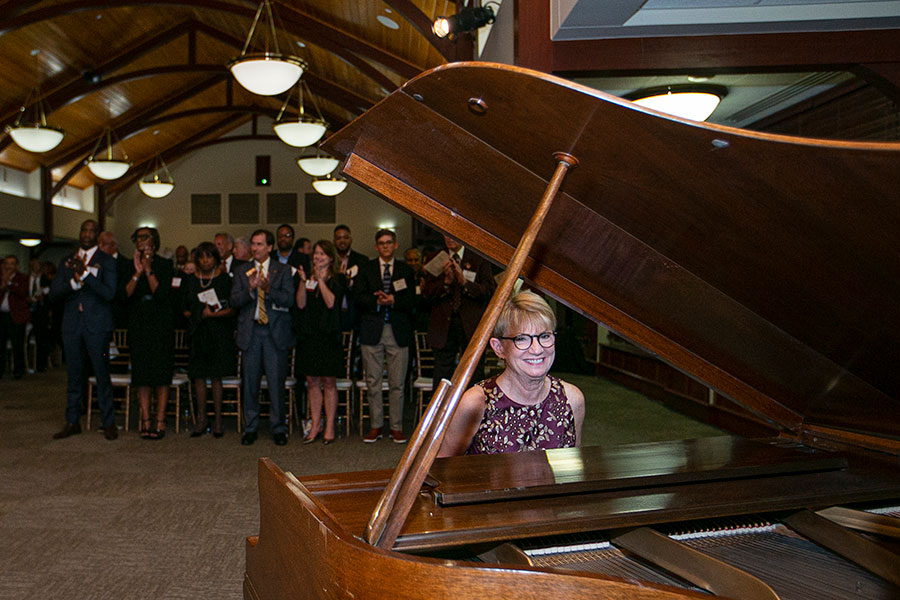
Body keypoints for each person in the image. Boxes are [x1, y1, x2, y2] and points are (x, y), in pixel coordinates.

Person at [438, 291, 585, 456]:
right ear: (498, 348)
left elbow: (571, 472)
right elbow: (443, 472)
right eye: (521, 339)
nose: (537, 349)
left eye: (544, 336)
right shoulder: (475, 403)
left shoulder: (571, 399)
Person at [50, 220, 118, 440]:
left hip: (97, 325)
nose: (86, 234)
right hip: (72, 324)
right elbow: (54, 292)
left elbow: (109, 293)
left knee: (101, 372)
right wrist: (74, 283)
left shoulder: (106, 261)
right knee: (73, 374)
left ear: (98, 236)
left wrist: (86, 276)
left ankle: (108, 422)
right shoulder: (67, 260)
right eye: (83, 230)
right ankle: (72, 421)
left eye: (91, 231)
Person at [230, 229, 295, 446]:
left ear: (269, 247)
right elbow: (234, 301)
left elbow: (289, 300)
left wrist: (268, 289)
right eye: (253, 244)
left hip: (274, 333)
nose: (254, 248)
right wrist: (250, 289)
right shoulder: (241, 271)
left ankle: (278, 427)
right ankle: (250, 428)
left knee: (276, 383)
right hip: (251, 333)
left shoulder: (282, 270)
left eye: (259, 244)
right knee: (250, 383)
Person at [354, 230, 416, 443]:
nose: (385, 246)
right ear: (376, 247)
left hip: (398, 330)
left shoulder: (406, 270)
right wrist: (377, 301)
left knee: (397, 383)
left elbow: (411, 302)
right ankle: (376, 426)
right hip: (372, 330)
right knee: (373, 381)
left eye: (389, 243)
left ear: (395, 245)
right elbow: (358, 298)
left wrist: (393, 300)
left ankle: (396, 427)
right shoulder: (366, 268)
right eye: (381, 243)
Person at [423, 234, 496, 391]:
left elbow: (489, 291)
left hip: (470, 325)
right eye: (445, 236)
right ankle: (440, 412)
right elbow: (426, 293)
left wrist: (465, 283)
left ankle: (471, 412)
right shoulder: (435, 258)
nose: (449, 239)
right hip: (444, 325)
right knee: (442, 372)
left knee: (473, 372)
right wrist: (446, 283)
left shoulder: (478, 258)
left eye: (453, 236)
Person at [125, 227, 175, 440]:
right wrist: (137, 271)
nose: (141, 241)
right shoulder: (127, 265)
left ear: (154, 241)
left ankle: (160, 419)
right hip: (138, 322)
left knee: (161, 374)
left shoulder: (165, 264)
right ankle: (145, 419)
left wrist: (148, 269)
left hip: (160, 323)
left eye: (145, 237)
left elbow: (162, 293)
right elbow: (125, 294)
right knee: (142, 374)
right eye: (138, 237)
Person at [295, 240, 346, 445]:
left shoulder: (339, 278)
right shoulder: (307, 278)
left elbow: (331, 302)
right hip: (310, 335)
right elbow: (300, 304)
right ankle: (315, 425)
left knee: (329, 382)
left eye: (322, 254)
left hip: (329, 335)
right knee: (312, 382)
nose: (318, 257)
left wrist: (320, 280)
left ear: (331, 258)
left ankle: (330, 426)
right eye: (316, 253)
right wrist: (303, 280)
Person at [184, 242, 236, 438]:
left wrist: (212, 315)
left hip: (218, 333)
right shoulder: (190, 280)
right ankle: (201, 417)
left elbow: (232, 309)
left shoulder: (224, 280)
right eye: (202, 257)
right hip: (198, 333)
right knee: (198, 376)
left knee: (216, 377)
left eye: (209, 257)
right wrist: (198, 314)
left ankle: (218, 420)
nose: (205, 261)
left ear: (216, 259)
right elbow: (184, 308)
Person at [333, 224, 367, 331]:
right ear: (334, 240)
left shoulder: (362, 260)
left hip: (354, 311)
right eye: (338, 238)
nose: (342, 241)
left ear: (351, 240)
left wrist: (349, 283)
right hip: (333, 312)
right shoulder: (328, 259)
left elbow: (365, 287)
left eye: (345, 238)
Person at [0, 255, 30, 379]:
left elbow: (23, 292)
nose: (9, 266)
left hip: (16, 316)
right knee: (0, 344)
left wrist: (9, 283)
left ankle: (18, 370)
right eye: (7, 263)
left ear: (16, 266)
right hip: (2, 315)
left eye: (12, 263)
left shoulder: (22, 278)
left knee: (17, 344)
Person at [97, 231, 132, 329]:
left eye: (103, 244)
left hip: (118, 313)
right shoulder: (95, 262)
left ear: (114, 246)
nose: (100, 247)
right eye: (98, 243)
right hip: (98, 314)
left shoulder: (126, 264)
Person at [26, 258, 51, 372]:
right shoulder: (26, 279)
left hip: (41, 312)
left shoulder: (46, 279)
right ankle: (27, 363)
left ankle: (41, 364)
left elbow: (51, 295)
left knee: (41, 339)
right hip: (27, 311)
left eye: (37, 265)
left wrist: (43, 297)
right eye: (33, 265)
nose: (35, 267)